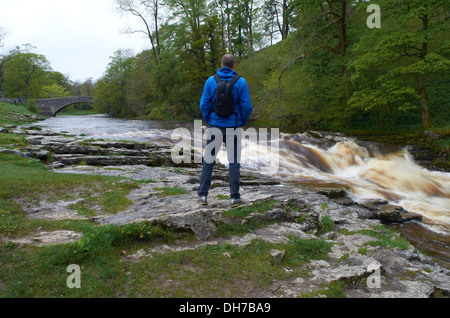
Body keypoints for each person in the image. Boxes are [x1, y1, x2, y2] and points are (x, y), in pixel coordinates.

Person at [198, 54, 253, 208]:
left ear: (221, 65)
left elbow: (204, 104)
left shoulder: (210, 81)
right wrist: (241, 121)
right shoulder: (241, 82)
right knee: (234, 163)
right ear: (234, 66)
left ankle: (203, 195)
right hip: (233, 127)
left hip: (214, 126)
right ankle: (235, 197)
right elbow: (247, 106)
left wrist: (209, 120)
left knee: (208, 162)